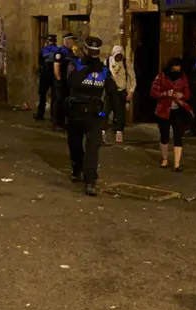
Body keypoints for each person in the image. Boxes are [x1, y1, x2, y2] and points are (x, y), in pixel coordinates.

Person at [65, 36, 118, 196]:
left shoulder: (103, 70)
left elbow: (113, 93)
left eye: (96, 51)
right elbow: (72, 82)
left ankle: (90, 181)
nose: (94, 54)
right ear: (86, 50)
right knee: (75, 145)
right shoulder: (75, 64)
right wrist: (86, 70)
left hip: (94, 114)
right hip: (76, 111)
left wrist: (116, 118)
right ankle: (77, 168)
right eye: (91, 51)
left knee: (93, 148)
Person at [151, 58, 191, 172]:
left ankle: (177, 164)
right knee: (164, 135)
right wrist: (165, 93)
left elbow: (188, 93)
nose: (177, 70)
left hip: (178, 110)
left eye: (179, 67)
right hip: (164, 110)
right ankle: (165, 159)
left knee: (178, 136)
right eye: (175, 67)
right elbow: (153, 92)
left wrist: (181, 95)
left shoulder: (183, 77)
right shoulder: (161, 76)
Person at [102, 45, 137, 145]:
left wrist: (131, 92)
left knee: (120, 114)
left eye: (120, 55)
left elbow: (133, 78)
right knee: (104, 112)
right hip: (109, 93)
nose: (118, 58)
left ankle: (119, 132)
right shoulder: (107, 61)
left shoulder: (126, 63)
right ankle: (102, 132)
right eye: (117, 55)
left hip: (120, 92)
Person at [52, 33, 77, 130]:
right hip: (61, 80)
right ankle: (57, 123)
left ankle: (63, 122)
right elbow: (56, 66)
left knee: (65, 101)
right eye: (71, 40)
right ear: (66, 41)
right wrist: (58, 79)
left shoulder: (70, 52)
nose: (73, 42)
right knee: (59, 101)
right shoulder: (60, 53)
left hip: (68, 81)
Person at [34, 34, 59, 121]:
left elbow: (40, 63)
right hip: (55, 74)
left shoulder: (44, 50)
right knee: (54, 96)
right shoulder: (58, 50)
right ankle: (54, 116)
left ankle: (40, 114)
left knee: (42, 95)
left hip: (45, 74)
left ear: (47, 41)